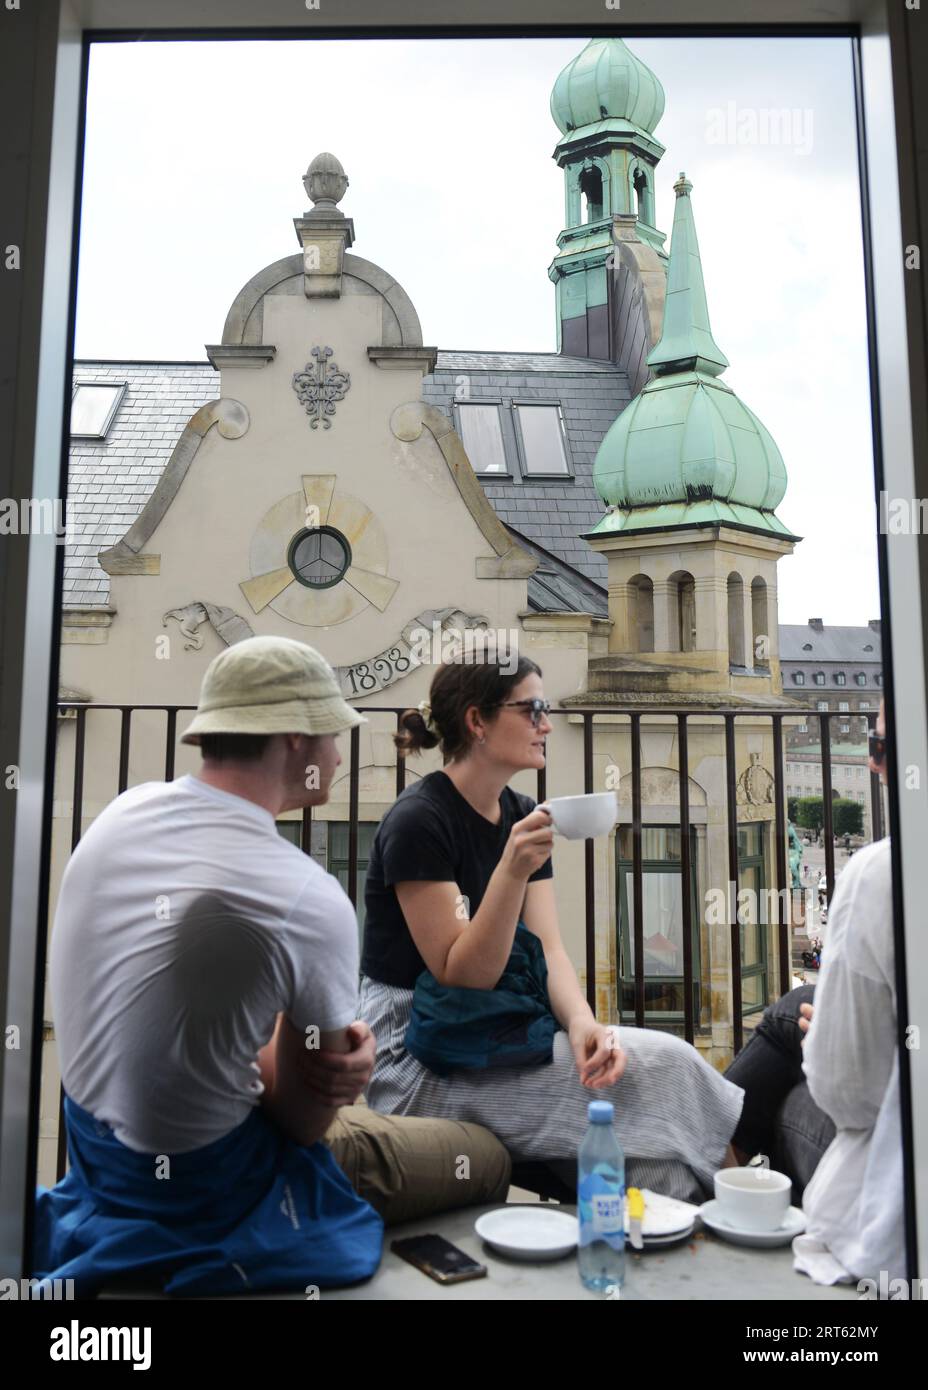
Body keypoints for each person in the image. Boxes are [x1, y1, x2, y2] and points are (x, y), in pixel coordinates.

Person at [33, 636, 511, 1297]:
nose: (341, 753)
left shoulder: (123, 816)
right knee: (483, 1155)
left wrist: (294, 1051)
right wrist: (339, 1068)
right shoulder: (304, 898)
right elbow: (301, 1121)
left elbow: (185, 1025)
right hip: (213, 1186)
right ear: (293, 740)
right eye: (333, 731)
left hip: (99, 1161)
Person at [358, 655, 745, 1203]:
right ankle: (757, 1212)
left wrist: (586, 1025)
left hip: (484, 1029)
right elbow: (463, 973)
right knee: (670, 1066)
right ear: (477, 722)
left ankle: (704, 1257)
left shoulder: (518, 812)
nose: (547, 723)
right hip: (414, 1055)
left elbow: (549, 950)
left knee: (660, 1170)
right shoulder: (419, 821)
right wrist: (511, 870)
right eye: (534, 708)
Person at [725, 700, 905, 1285]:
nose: (874, 766)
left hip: (898, 1203)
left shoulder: (883, 874)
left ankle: (715, 1160)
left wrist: (825, 1043)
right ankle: (716, 1150)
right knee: (790, 1012)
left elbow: (849, 1095)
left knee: (785, 1075)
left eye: (876, 749)